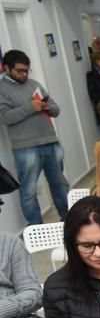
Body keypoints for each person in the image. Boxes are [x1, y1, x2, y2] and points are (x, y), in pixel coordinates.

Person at [0, 49, 70, 224]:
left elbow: (56, 110)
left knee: (60, 185)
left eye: (26, 71)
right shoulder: (2, 89)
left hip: (51, 142)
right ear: (7, 68)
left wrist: (47, 107)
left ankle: (69, 221)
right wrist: (30, 108)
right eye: (20, 71)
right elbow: (5, 117)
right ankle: (37, 229)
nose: (24, 75)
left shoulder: (34, 84)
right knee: (29, 191)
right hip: (25, 147)